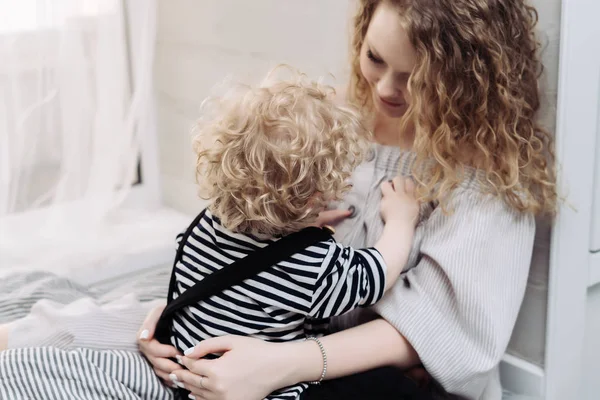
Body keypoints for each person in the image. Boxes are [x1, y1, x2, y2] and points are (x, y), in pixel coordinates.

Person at [138, 0, 557, 399]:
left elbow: (440, 330)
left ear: (464, 77)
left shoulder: (485, 179)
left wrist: (278, 365)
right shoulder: (332, 122)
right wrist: (185, 312)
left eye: (416, 78)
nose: (387, 89)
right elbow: (244, 226)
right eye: (375, 57)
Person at [161, 72, 420, 400]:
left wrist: (302, 223)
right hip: (261, 392)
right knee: (390, 388)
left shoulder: (201, 227)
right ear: (318, 194)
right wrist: (401, 220)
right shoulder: (311, 265)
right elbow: (376, 275)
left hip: (193, 384)